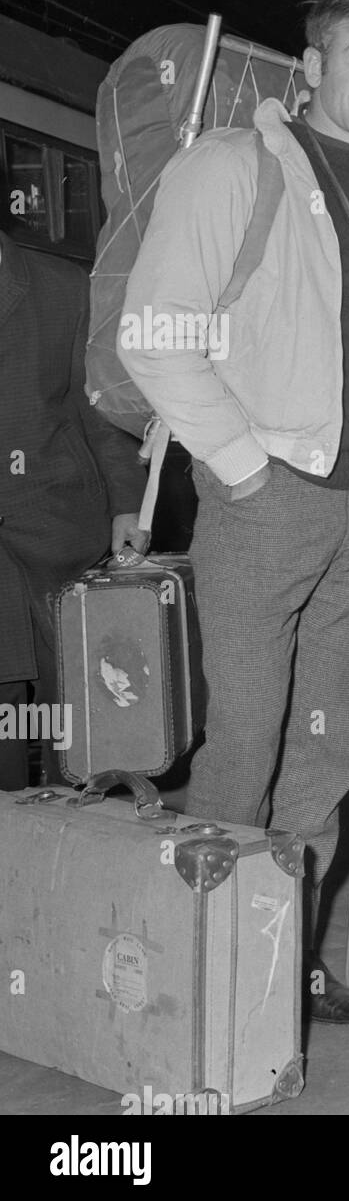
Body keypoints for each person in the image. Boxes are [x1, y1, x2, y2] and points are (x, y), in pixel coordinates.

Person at [119, 0, 349, 1026]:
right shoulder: (230, 166)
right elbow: (153, 333)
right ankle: (201, 965)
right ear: (311, 66)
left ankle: (284, 956)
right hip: (269, 499)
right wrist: (245, 469)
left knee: (331, 741)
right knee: (246, 737)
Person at [0, 230, 148, 790]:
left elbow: (99, 410)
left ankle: (80, 851)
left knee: (78, 721)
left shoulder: (64, 287)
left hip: (58, 530)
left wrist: (126, 503)